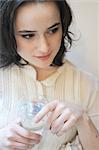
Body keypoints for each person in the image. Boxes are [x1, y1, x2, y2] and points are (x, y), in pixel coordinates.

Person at [0, 0, 99, 150]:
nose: (44, 47)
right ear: (8, 34)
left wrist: (83, 120)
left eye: (53, 30)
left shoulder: (87, 84)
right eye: (28, 35)